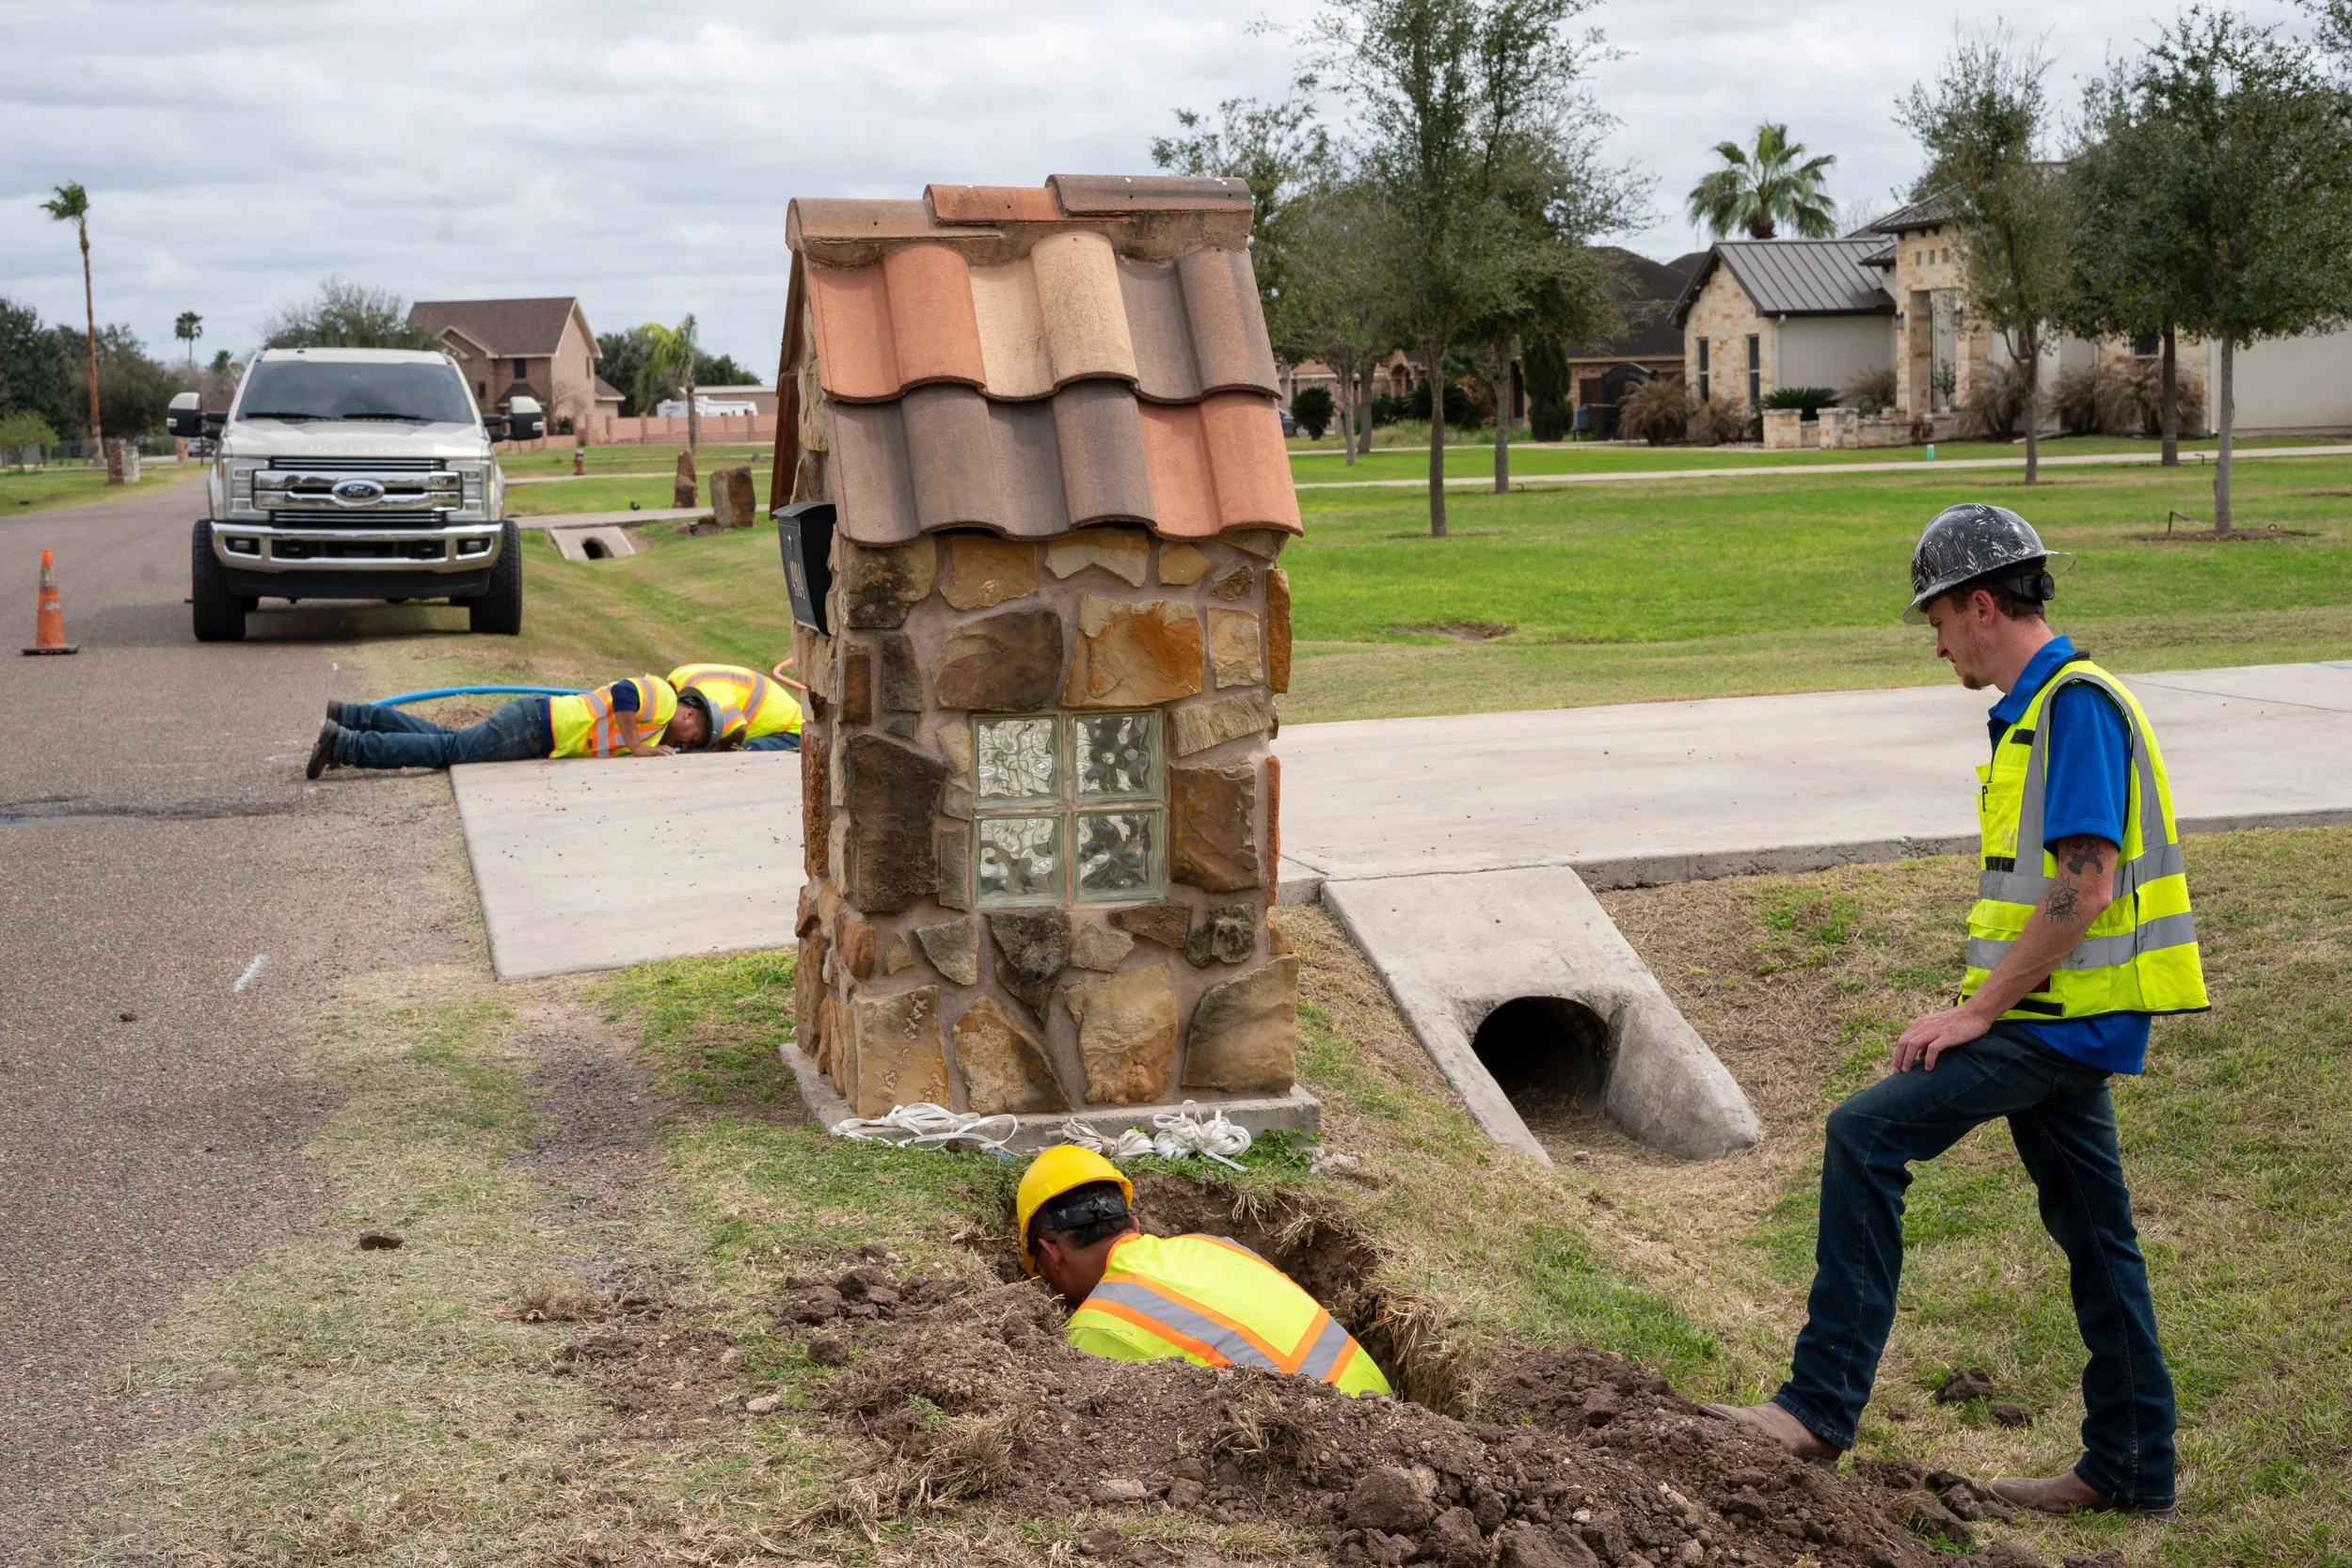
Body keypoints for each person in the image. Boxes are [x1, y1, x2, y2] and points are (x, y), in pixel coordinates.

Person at [1704, 504, 2204, 1521]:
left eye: (1936, 615)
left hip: (2055, 1022)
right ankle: (2134, 1463)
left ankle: (1815, 1408)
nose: (1934, 638)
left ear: (1982, 604)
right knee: (2097, 1233)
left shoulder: (2073, 705)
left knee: (1864, 1131)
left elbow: (2085, 882)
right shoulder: (2038, 709)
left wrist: (1975, 1009)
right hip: (2070, 1019)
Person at [1016, 1145, 1392, 1397]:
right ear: (1132, 1220)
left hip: (1322, 1445)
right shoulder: (1212, 1244)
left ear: (1050, 1253)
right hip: (1385, 1406)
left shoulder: (1095, 1328)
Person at [307, 674, 710, 777]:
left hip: (533, 724)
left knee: (448, 740)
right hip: (534, 727)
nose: (688, 744)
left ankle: (354, 717)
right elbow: (624, 693)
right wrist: (637, 747)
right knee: (447, 753)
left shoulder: (657, 729)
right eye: (694, 737)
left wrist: (645, 747)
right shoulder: (663, 696)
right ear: (690, 714)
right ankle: (345, 747)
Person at [666, 662, 803, 752]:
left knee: (742, 756)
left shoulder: (710, 693)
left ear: (690, 714)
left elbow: (738, 731)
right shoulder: (676, 684)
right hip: (775, 727)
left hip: (792, 732)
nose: (684, 745)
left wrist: (714, 754)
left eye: (692, 740)